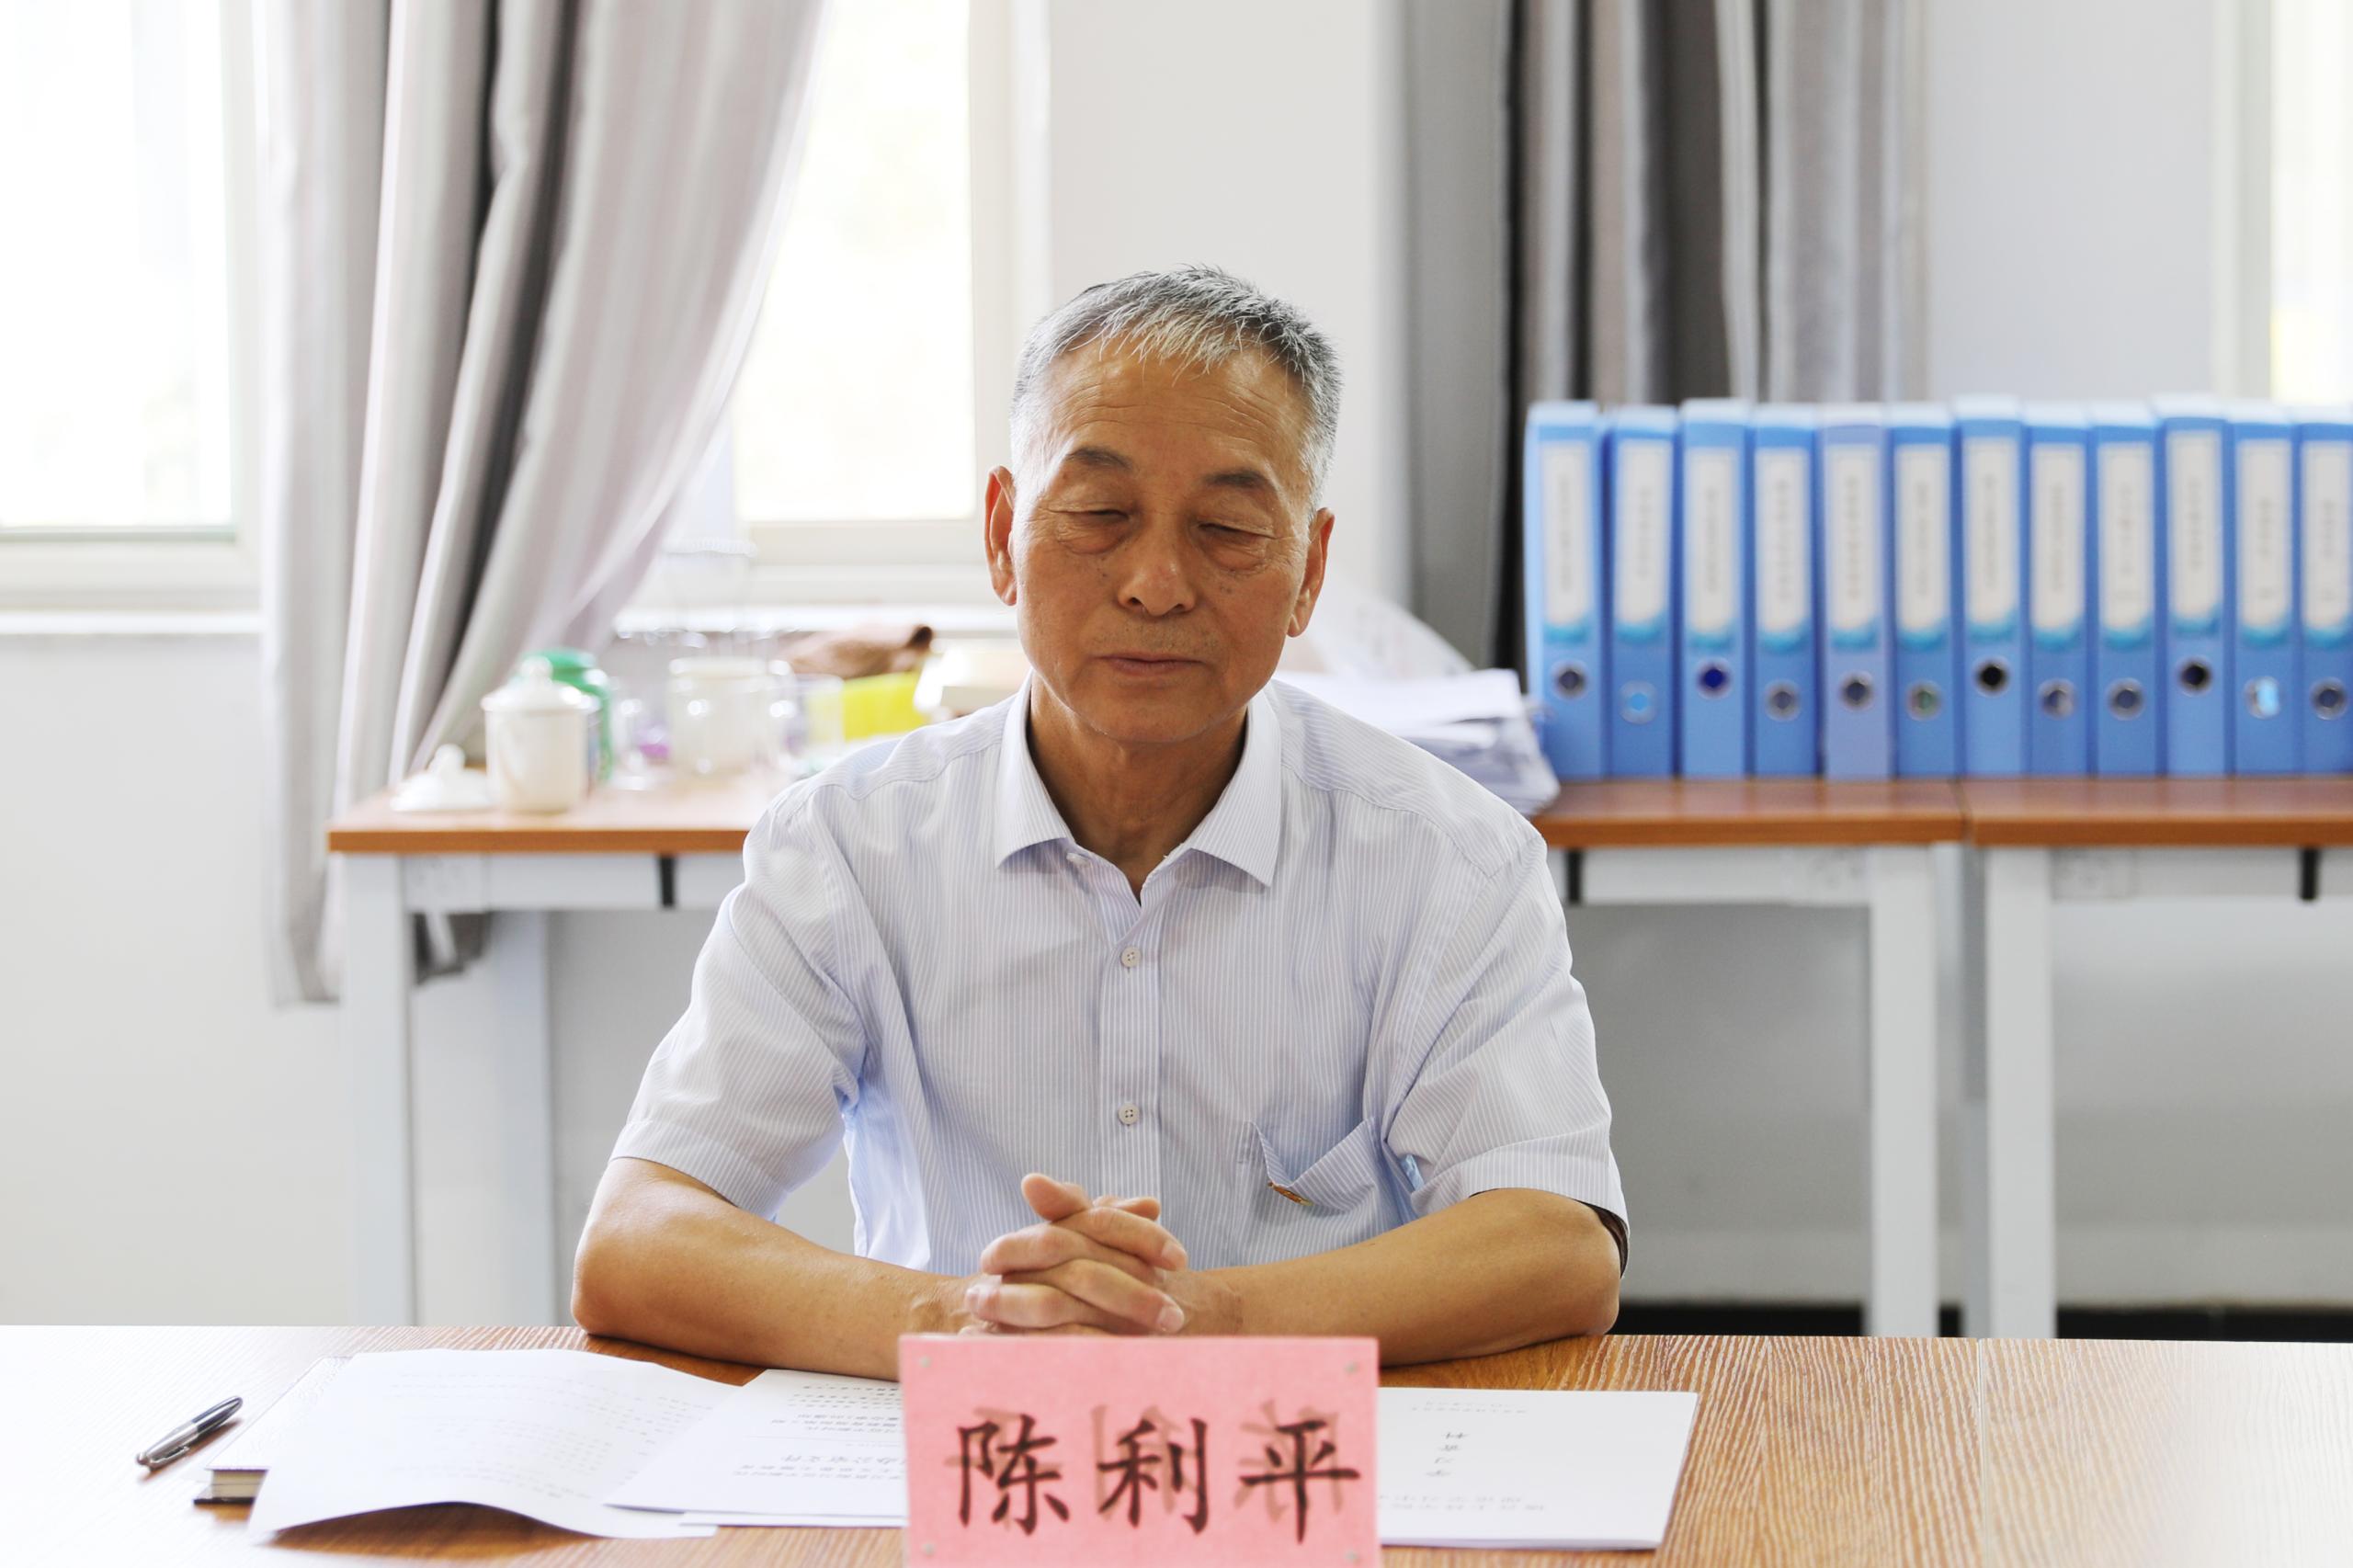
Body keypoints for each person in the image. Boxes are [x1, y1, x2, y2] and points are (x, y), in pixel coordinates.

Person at [572, 266, 1626, 1379]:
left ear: (1309, 571)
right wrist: (968, 1320)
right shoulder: (848, 845)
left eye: (1226, 527)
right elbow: (638, 1237)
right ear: (1000, 534)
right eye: (1097, 516)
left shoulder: (1446, 855)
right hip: (962, 1447)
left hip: (1299, 1448)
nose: (1156, 582)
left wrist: (1194, 1322)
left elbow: (1556, 1243)